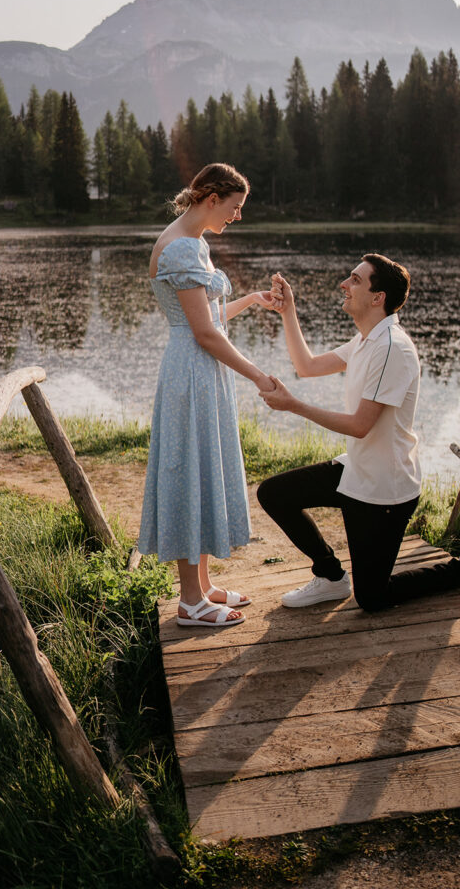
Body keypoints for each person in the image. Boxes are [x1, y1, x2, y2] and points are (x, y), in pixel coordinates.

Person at [257, 254, 460, 611]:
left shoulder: (392, 348)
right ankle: (330, 576)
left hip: (384, 492)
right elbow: (306, 366)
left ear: (378, 297)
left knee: (373, 597)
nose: (344, 284)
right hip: (357, 472)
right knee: (275, 494)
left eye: (355, 280)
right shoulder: (366, 341)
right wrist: (288, 311)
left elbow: (360, 426)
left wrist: (293, 405)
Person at [138, 162, 281, 627]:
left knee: (201, 468)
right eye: (235, 207)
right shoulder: (180, 248)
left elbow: (209, 318)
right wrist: (258, 375)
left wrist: (250, 299)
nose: (237, 216)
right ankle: (189, 603)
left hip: (199, 369)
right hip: (192, 371)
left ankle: (203, 586)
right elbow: (204, 333)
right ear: (211, 198)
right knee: (189, 472)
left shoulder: (192, 241)